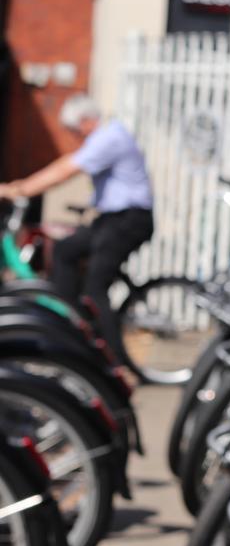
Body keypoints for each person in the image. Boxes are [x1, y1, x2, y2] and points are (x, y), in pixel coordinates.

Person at [0, 94, 154, 365]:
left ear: (85, 122)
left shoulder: (110, 138)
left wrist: (20, 189)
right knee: (65, 250)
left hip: (128, 220)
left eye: (73, 130)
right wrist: (20, 186)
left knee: (95, 286)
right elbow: (66, 162)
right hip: (111, 219)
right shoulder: (103, 137)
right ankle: (69, 321)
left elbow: (66, 171)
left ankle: (113, 362)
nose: (73, 136)